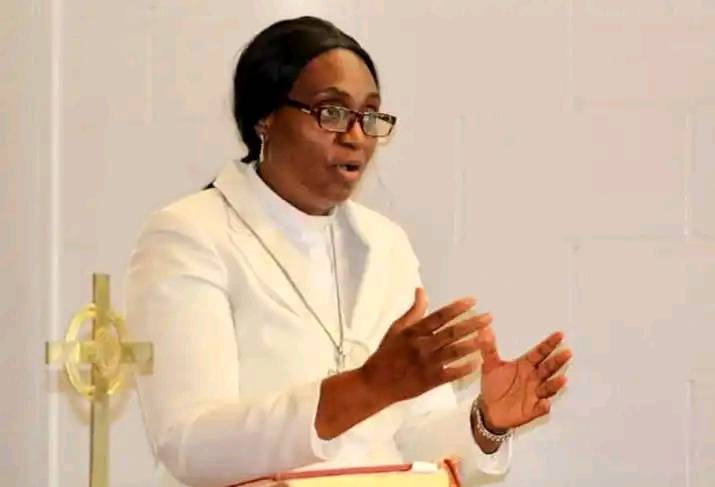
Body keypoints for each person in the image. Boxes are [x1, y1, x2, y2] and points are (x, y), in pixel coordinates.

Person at [125, 16, 572, 487]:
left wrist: (486, 421)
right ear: (264, 117)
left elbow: (408, 441)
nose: (356, 135)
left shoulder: (386, 245)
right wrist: (366, 387)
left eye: (369, 115)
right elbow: (191, 444)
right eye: (331, 112)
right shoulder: (191, 235)